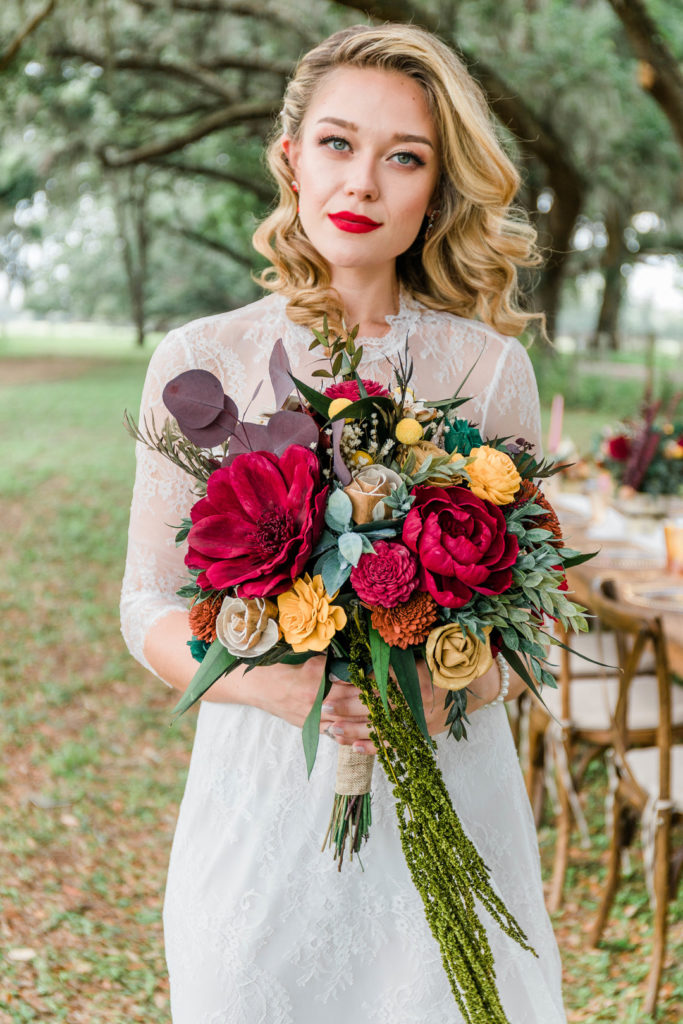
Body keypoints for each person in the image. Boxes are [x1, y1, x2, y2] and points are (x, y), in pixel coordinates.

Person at [120, 22, 566, 1024]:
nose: (361, 182)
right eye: (336, 143)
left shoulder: (485, 370)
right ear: (289, 158)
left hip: (446, 790)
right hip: (259, 795)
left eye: (401, 157)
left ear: (435, 191)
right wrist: (282, 685)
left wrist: (432, 694)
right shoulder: (201, 359)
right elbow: (144, 597)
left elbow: (523, 623)